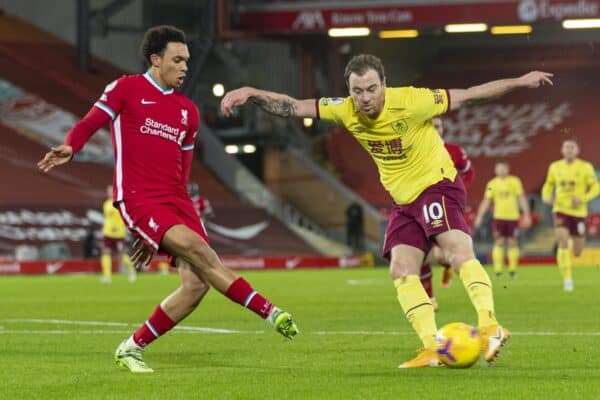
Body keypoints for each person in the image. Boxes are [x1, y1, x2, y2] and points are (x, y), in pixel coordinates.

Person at [220, 54, 552, 368]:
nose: (364, 98)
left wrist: (520, 82)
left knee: (455, 250)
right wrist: (250, 92)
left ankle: (490, 326)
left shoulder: (411, 101)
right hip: (403, 201)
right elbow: (292, 106)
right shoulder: (345, 109)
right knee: (401, 269)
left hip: (436, 184)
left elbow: (468, 96)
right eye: (357, 91)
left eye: (371, 89)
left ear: (384, 84)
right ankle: (432, 348)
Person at [37, 25, 298, 373]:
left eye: (187, 60)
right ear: (155, 59)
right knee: (201, 252)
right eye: (177, 59)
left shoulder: (187, 111)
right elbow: (90, 122)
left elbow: (182, 172)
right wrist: (71, 145)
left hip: (176, 201)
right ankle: (270, 312)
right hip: (139, 198)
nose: (185, 66)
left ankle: (131, 348)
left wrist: (156, 236)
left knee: (195, 286)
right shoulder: (126, 88)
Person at [420, 116, 476, 311]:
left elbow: (468, 172)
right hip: (423, 207)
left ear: (443, 129)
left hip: (448, 208)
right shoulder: (416, 151)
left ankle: (447, 266)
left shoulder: (455, 151)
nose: (435, 130)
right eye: (431, 126)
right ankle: (430, 299)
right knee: (422, 252)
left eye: (438, 126)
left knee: (452, 252)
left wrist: (460, 193)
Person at [541, 139, 599, 292]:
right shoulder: (555, 167)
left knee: (578, 252)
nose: (569, 150)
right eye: (566, 147)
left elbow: (596, 187)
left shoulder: (585, 167)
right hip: (560, 209)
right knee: (562, 242)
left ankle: (574, 245)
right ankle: (567, 280)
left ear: (577, 150)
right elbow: (548, 184)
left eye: (572, 147)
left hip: (579, 212)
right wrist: (546, 195)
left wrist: (583, 198)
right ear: (562, 149)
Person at [474, 162, 531, 279]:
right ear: (495, 170)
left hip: (513, 217)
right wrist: (479, 215)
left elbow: (521, 198)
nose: (501, 171)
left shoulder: (515, 181)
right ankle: (498, 270)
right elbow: (487, 200)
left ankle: (512, 270)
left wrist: (526, 214)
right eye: (499, 169)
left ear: (508, 169)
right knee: (498, 241)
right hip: (498, 217)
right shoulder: (492, 183)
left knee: (512, 242)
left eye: (503, 168)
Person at [100, 184, 137, 283]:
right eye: (108, 191)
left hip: (118, 233)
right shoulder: (106, 204)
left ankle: (132, 271)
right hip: (107, 232)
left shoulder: (119, 202)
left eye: (111, 190)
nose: (109, 192)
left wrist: (119, 227)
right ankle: (107, 276)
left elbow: (123, 216)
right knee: (105, 252)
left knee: (121, 255)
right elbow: (107, 218)